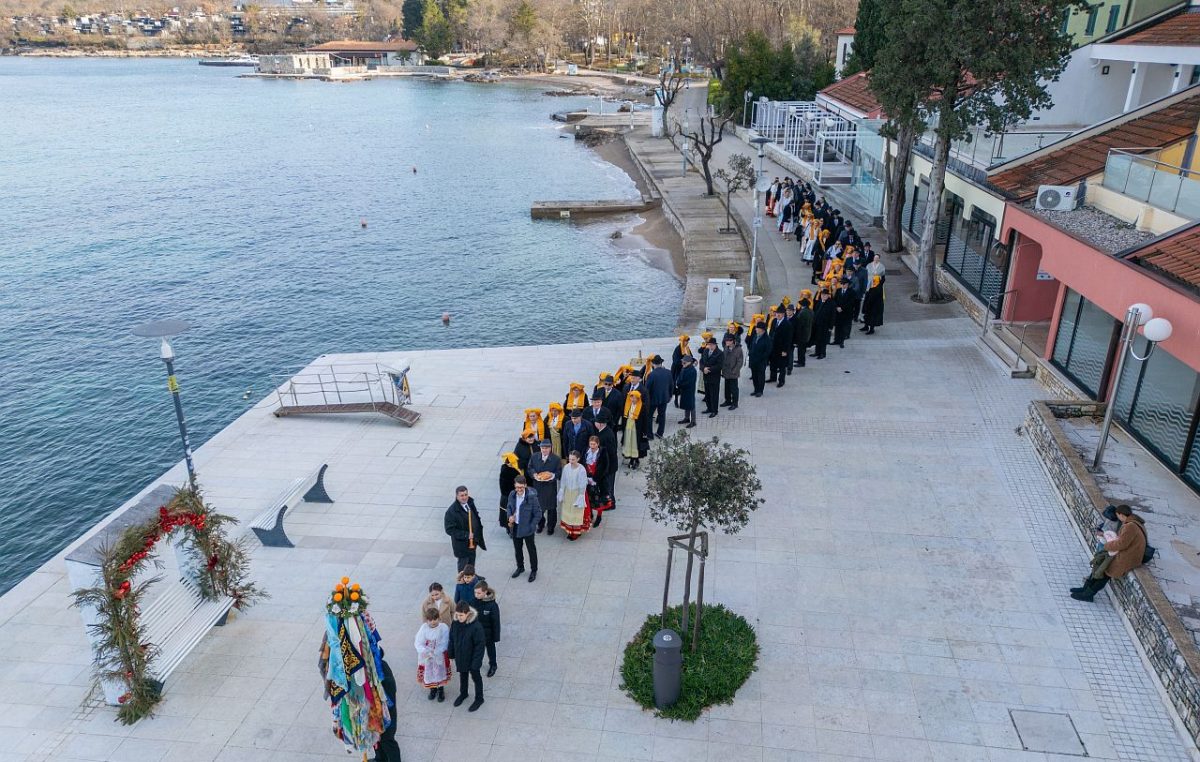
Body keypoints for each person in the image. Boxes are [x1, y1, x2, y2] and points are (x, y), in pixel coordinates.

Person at [1071, 505, 1148, 602]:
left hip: (1127, 557)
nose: (1118, 518)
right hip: (1127, 554)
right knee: (1100, 567)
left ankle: (1088, 594)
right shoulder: (1134, 523)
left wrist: (1107, 546)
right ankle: (1085, 589)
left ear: (1121, 514)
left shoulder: (1130, 526)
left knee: (1104, 574)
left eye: (1118, 515)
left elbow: (1121, 544)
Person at [448, 601, 485, 711]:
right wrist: (451, 653)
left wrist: (476, 663)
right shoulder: (455, 623)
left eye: (461, 615)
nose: (459, 617)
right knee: (463, 675)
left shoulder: (476, 627)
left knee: (476, 677)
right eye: (457, 615)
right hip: (461, 655)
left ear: (468, 614)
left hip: (472, 658)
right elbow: (452, 639)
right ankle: (463, 694)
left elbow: (480, 646)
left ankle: (479, 698)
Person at [506, 476, 541, 582]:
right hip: (516, 527)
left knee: (531, 550)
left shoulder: (532, 497)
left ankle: (534, 570)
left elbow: (538, 513)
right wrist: (509, 516)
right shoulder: (512, 494)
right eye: (517, 487)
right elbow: (509, 507)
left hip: (528, 528)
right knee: (518, 549)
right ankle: (520, 567)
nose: (519, 490)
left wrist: (532, 526)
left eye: (521, 487)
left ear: (525, 485)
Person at [444, 485, 486, 571]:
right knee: (463, 566)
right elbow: (449, 530)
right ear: (457, 496)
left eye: (466, 494)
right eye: (461, 495)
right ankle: (462, 581)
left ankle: (471, 576)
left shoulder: (470, 503)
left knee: (471, 562)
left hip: (473, 541)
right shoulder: (451, 512)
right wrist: (466, 535)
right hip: (462, 545)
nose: (464, 497)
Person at [414, 607, 451, 702]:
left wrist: (436, 651)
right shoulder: (424, 628)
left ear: (439, 618)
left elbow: (445, 641)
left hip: (439, 655)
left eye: (435, 619)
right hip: (427, 656)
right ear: (427, 620)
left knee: (439, 672)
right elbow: (418, 642)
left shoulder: (443, 628)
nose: (433, 622)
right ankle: (432, 689)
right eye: (430, 620)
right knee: (429, 672)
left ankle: (441, 690)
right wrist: (425, 651)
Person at [526, 439, 562, 535]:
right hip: (537, 487)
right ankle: (540, 525)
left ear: (550, 448)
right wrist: (534, 475)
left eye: (546, 448)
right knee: (539, 509)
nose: (544, 450)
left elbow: (559, 472)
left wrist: (553, 475)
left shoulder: (556, 459)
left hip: (550, 488)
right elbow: (529, 468)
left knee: (551, 509)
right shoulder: (534, 457)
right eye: (542, 448)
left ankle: (551, 527)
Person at [374, 652, 402, 760]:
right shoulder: (380, 666)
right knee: (376, 739)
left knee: (387, 740)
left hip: (386, 713)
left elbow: (389, 696)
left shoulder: (383, 674)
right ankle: (380, 758)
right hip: (376, 712)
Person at [558, 450, 591, 539]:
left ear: (578, 459)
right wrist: (562, 490)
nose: (571, 461)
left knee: (576, 512)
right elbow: (563, 479)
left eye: (573, 459)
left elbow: (583, 483)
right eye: (570, 459)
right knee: (568, 511)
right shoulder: (566, 467)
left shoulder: (581, 469)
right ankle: (569, 530)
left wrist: (581, 496)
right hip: (568, 492)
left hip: (577, 493)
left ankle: (576, 532)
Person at [472, 581, 501, 677]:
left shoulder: (492, 605)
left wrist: (496, 637)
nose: (476, 595)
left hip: (488, 634)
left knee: (490, 649)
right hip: (476, 632)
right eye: (475, 593)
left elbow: (496, 622)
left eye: (479, 593)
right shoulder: (474, 601)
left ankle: (493, 665)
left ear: (485, 592)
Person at [593, 410, 620, 510]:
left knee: (608, 486)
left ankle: (610, 504)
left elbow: (609, 453)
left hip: (609, 466)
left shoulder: (606, 435)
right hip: (607, 465)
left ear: (599, 424)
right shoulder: (603, 432)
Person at [644, 354, 673, 439]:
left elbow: (647, 389)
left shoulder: (651, 375)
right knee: (662, 415)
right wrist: (670, 396)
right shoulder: (668, 372)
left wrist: (645, 399)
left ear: (653, 364)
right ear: (661, 363)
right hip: (664, 398)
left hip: (653, 399)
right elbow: (671, 385)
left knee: (649, 416)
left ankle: (649, 435)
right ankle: (660, 433)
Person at [621, 389, 648, 468]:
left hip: (637, 428)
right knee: (629, 443)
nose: (632, 399)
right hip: (629, 426)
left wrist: (645, 431)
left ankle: (635, 459)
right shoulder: (628, 405)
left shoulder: (642, 406)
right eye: (631, 397)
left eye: (634, 398)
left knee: (635, 444)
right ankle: (631, 459)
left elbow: (645, 420)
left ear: (638, 398)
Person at [769, 305, 793, 387]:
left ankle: (781, 381)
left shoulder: (787, 324)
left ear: (783, 314)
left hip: (782, 348)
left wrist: (785, 351)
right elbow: (771, 333)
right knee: (773, 363)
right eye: (777, 313)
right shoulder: (774, 321)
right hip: (773, 346)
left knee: (782, 365)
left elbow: (788, 339)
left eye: (780, 314)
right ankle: (773, 377)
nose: (778, 315)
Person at [699, 336, 723, 417]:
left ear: (715, 345)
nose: (710, 346)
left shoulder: (720, 353)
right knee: (708, 394)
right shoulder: (705, 351)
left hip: (714, 378)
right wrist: (703, 369)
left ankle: (714, 410)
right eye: (709, 344)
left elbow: (719, 366)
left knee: (714, 395)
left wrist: (708, 369)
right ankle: (708, 408)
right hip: (706, 377)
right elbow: (701, 361)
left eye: (712, 344)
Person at [498, 453, 522, 530]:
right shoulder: (512, 472)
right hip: (510, 496)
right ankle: (511, 529)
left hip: (505, 496)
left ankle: (509, 528)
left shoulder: (504, 468)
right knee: (511, 512)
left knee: (507, 513)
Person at [747, 322, 771, 397]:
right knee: (754, 376)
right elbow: (751, 345)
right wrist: (750, 353)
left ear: (762, 330)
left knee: (760, 376)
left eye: (758, 328)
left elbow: (768, 351)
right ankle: (756, 389)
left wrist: (760, 358)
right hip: (753, 360)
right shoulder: (755, 336)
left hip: (761, 361)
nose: (756, 329)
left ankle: (760, 391)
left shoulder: (767, 339)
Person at [810, 289, 835, 359]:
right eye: (822, 295)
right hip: (817, 324)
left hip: (825, 325)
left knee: (823, 340)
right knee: (817, 339)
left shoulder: (831, 303)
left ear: (828, 295)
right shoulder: (819, 302)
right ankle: (817, 352)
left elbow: (833, 316)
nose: (823, 296)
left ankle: (822, 353)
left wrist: (831, 327)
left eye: (825, 295)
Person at [720, 336, 743, 411]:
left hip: (733, 373)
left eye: (727, 341)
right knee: (727, 388)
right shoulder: (726, 348)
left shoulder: (738, 349)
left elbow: (740, 362)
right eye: (726, 341)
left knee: (734, 389)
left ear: (732, 341)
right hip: (726, 372)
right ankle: (728, 401)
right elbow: (723, 358)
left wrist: (734, 371)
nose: (726, 342)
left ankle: (735, 403)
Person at [833, 277, 857, 348]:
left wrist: (842, 308)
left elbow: (851, 302)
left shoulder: (852, 292)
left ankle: (841, 342)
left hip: (846, 313)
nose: (843, 285)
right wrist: (837, 307)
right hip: (838, 312)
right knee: (837, 327)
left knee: (844, 328)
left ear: (848, 284)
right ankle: (836, 340)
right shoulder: (838, 290)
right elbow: (835, 300)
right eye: (841, 284)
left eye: (844, 284)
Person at [670, 335, 692, 407]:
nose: (687, 343)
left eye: (687, 341)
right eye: (685, 341)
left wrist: (694, 360)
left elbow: (690, 356)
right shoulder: (677, 349)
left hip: (685, 370)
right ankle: (676, 400)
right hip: (678, 370)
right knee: (677, 385)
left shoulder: (687, 348)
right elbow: (675, 360)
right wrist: (684, 363)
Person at [675, 354, 697, 427]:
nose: (682, 364)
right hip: (684, 390)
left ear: (689, 362)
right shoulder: (684, 368)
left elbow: (689, 382)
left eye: (684, 362)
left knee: (691, 405)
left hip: (689, 390)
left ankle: (693, 421)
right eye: (682, 362)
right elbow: (680, 377)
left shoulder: (692, 370)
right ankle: (687, 418)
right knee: (686, 405)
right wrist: (678, 382)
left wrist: (680, 385)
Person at [793, 293, 814, 367]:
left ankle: (801, 362)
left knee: (801, 348)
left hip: (802, 333)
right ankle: (800, 360)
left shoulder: (802, 313)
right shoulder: (810, 311)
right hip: (808, 332)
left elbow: (799, 324)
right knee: (803, 348)